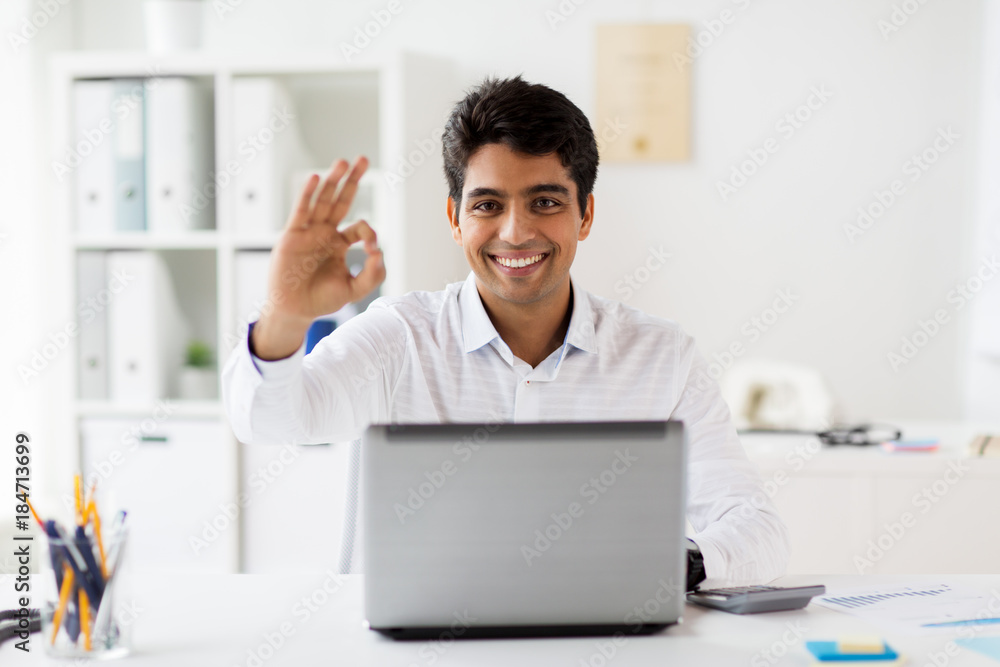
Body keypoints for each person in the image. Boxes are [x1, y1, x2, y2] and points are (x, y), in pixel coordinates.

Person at [221, 75, 789, 590]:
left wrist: (668, 562)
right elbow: (266, 419)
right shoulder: (399, 337)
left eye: (545, 202)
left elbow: (757, 530)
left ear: (585, 215)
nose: (515, 232)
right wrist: (285, 316)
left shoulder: (662, 356)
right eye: (488, 205)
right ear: (455, 218)